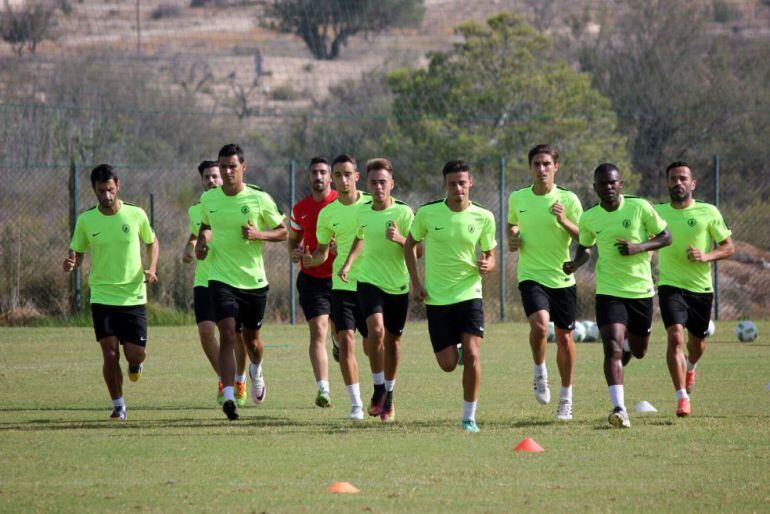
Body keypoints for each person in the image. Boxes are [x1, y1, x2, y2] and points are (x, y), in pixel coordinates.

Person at [563, 163, 670, 428]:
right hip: (609, 292)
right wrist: (574, 265)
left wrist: (639, 247)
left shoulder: (640, 207)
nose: (608, 188)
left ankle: (627, 350)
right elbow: (586, 248)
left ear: (620, 184)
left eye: (613, 183)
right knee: (610, 347)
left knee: (639, 350)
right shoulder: (589, 218)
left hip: (641, 292)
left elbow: (666, 237)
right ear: (595, 187)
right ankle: (620, 408)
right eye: (603, 184)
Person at [196, 144, 288, 421]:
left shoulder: (259, 198)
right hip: (220, 278)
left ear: (243, 168)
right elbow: (205, 225)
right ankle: (228, 396)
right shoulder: (209, 199)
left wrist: (258, 234)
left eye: (231, 167)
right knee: (226, 334)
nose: (226, 172)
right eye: (222, 167)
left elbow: (283, 232)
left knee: (252, 343)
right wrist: (201, 244)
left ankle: (256, 370)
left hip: (253, 282)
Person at [404, 159, 497, 433]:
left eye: (462, 182)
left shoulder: (484, 217)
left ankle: (469, 417)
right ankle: (460, 353)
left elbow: (491, 257)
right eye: (452, 183)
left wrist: (487, 265)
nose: (458, 187)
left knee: (472, 354)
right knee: (447, 365)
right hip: (437, 299)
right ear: (444, 185)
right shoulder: (427, 214)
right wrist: (415, 283)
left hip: (470, 294)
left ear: (471, 183)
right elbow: (409, 246)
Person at [63, 164, 159, 421]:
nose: (106, 195)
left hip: (133, 295)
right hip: (102, 296)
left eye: (110, 189)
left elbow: (151, 241)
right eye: (101, 191)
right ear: (94, 190)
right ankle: (118, 405)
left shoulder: (135, 214)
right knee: (109, 353)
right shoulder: (86, 220)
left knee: (133, 353)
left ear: (118, 185)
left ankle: (136, 363)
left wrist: (151, 268)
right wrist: (73, 263)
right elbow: (78, 251)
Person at [508, 144, 582, 421]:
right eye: (536, 164)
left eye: (546, 164)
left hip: (562, 278)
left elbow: (585, 238)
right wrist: (512, 237)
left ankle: (566, 398)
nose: (541, 169)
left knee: (565, 337)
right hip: (531, 275)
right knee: (539, 325)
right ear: (530, 168)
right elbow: (512, 225)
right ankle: (540, 371)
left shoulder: (569, 200)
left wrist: (564, 220)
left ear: (556, 167)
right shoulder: (518, 198)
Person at [655, 161, 734, 417]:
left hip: (700, 288)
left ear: (692, 183)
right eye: (673, 179)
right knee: (675, 336)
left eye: (682, 178)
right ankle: (682, 397)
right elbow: (646, 242)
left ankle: (691, 367)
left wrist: (706, 256)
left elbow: (728, 247)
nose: (678, 183)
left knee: (697, 343)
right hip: (669, 286)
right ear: (667, 183)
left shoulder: (708, 212)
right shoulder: (657, 213)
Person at [338, 158, 414, 423]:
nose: (379, 187)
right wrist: (348, 263)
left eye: (383, 182)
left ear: (391, 184)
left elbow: (419, 250)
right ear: (367, 185)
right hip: (368, 281)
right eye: (374, 183)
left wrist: (401, 240)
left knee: (393, 343)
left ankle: (389, 396)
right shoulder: (363, 211)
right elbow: (360, 236)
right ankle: (378, 388)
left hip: (398, 286)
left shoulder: (404, 213)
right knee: (376, 331)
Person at [303, 154, 371, 420]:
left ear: (356, 177)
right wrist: (313, 259)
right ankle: (355, 404)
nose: (343, 180)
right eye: (338, 174)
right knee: (346, 341)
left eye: (347, 174)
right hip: (341, 285)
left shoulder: (370, 204)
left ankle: (381, 390)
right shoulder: (327, 213)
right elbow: (321, 252)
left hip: (373, 283)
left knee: (374, 344)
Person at [182, 160, 249, 407]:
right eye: (207, 178)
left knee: (237, 336)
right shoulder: (196, 210)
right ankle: (225, 379)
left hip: (233, 278)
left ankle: (240, 377)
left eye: (214, 176)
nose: (211, 181)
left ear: (222, 177)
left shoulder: (236, 201)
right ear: (202, 181)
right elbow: (195, 234)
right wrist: (189, 249)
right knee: (206, 331)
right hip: (205, 278)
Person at [287, 156, 339, 408]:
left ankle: (338, 340)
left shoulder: (342, 204)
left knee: (341, 334)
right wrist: (294, 252)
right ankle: (323, 389)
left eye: (323, 173)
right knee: (319, 330)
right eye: (314, 173)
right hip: (312, 280)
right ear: (308, 177)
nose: (318, 177)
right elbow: (292, 239)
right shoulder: (300, 209)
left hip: (342, 279)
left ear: (331, 177)